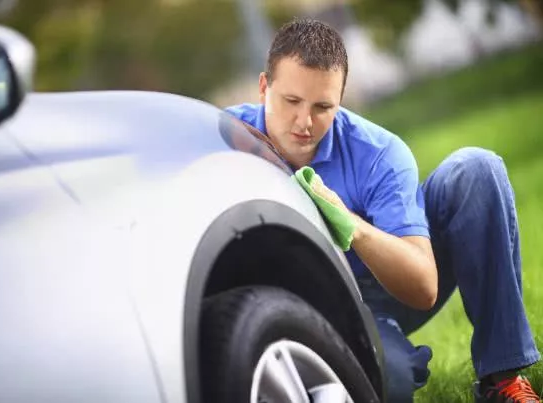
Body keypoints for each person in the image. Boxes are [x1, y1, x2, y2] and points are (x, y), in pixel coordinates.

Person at [225, 17, 541, 403]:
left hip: (383, 284)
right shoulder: (224, 138)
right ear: (263, 88)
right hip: (307, 298)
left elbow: (424, 287)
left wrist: (352, 227)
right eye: (291, 101)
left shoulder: (379, 154)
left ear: (341, 101)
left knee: (477, 169)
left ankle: (501, 379)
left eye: (323, 106)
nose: (304, 122)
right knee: (389, 381)